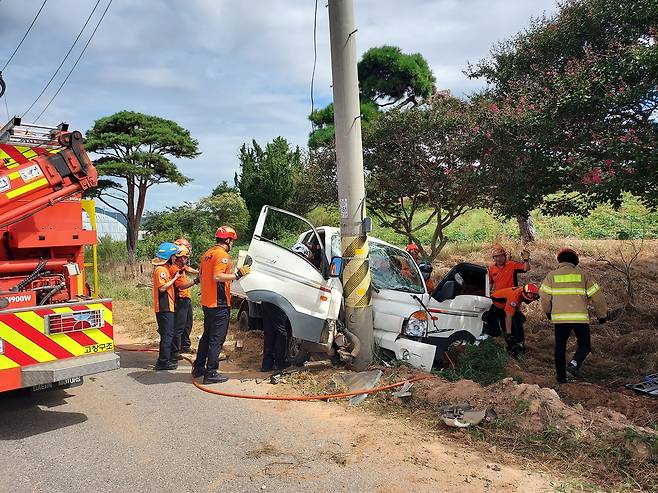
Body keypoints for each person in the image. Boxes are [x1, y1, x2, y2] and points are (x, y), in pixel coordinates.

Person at [192, 225, 250, 384]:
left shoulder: (207, 254)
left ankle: (198, 367)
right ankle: (211, 373)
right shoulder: (222, 255)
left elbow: (203, 276)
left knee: (206, 337)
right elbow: (217, 276)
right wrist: (236, 275)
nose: (232, 244)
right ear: (228, 240)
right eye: (232, 241)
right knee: (216, 339)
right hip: (219, 304)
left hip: (207, 302)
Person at [540, 248, 607, 384]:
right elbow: (598, 297)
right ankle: (574, 364)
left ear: (559, 260)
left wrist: (548, 312)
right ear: (576, 261)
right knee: (585, 345)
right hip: (580, 318)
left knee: (560, 348)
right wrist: (602, 315)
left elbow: (544, 297)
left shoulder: (551, 276)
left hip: (560, 319)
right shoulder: (583, 275)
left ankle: (561, 378)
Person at [151, 242, 182, 370]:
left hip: (167, 307)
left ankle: (165, 359)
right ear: (169, 256)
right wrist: (175, 279)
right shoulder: (161, 270)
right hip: (164, 308)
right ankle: (162, 362)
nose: (175, 258)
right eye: (174, 256)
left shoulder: (164, 269)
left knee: (168, 334)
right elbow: (163, 288)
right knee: (167, 335)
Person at [489, 283, 540, 357]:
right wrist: (509, 334)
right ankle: (512, 349)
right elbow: (508, 316)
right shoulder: (513, 298)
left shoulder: (522, 291)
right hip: (495, 307)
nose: (529, 301)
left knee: (518, 321)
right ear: (524, 294)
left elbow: (517, 303)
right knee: (498, 331)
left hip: (505, 305)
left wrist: (518, 312)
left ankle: (520, 344)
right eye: (528, 298)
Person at [169, 245, 199, 361]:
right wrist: (196, 281)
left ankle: (185, 346)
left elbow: (189, 269)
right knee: (179, 327)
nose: (186, 259)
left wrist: (201, 271)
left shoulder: (181, 266)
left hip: (186, 299)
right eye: (185, 257)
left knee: (188, 324)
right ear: (180, 258)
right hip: (180, 300)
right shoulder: (174, 269)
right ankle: (175, 351)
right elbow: (180, 285)